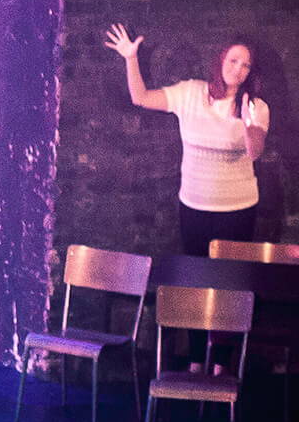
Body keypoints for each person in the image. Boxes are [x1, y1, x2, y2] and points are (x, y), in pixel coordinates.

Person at [103, 24, 270, 254]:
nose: (238, 69)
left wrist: (248, 124)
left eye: (246, 65)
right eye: (233, 61)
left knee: (233, 274)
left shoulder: (255, 106)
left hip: (237, 208)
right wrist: (131, 59)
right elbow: (141, 98)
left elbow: (255, 152)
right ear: (221, 60)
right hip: (194, 205)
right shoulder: (190, 93)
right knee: (196, 270)